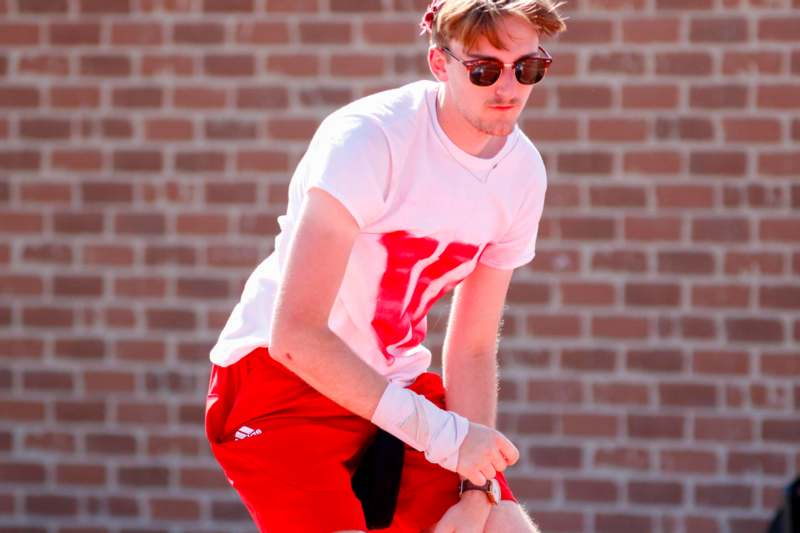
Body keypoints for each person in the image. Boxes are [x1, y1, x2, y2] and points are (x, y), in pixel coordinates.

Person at [204, 1, 567, 531]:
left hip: (392, 379)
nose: (508, 88)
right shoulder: (368, 138)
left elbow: (472, 346)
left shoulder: (522, 173)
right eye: (484, 69)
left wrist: (475, 486)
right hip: (278, 381)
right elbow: (295, 336)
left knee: (500, 524)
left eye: (528, 68)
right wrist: (446, 438)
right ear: (440, 64)